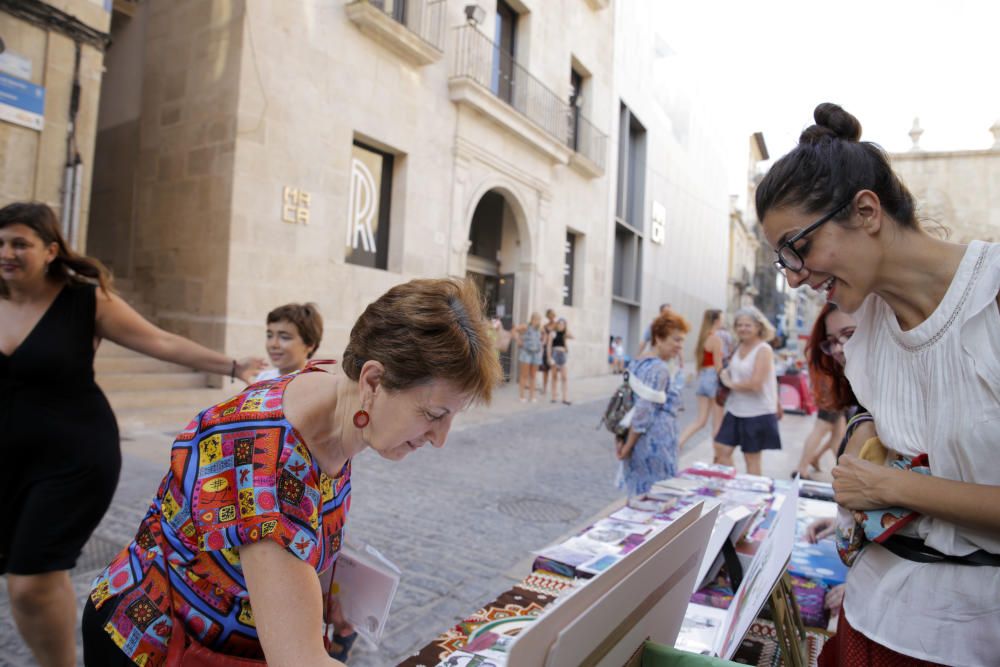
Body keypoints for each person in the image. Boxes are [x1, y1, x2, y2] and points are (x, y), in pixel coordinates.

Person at [81, 278, 503, 666]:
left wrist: (315, 587)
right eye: (433, 414)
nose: (440, 438)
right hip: (152, 643)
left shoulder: (335, 383)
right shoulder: (268, 465)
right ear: (373, 381)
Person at [757, 102, 1000, 666]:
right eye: (782, 260)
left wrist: (891, 488)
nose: (795, 276)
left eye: (799, 247)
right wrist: (865, 438)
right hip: (872, 620)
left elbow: (890, 479)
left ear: (866, 211)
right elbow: (881, 422)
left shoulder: (989, 301)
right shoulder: (864, 329)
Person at [0, 202, 263, 667]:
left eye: (19, 243)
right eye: (0, 243)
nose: (6, 252)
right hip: (9, 458)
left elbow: (158, 341)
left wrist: (233, 366)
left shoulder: (84, 300)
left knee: (30, 580)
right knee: (37, 575)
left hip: (74, 457)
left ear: (51, 250)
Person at [615, 310, 689, 502]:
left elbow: (625, 404)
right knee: (655, 497)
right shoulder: (659, 368)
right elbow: (643, 411)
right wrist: (628, 446)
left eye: (682, 341)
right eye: (676, 340)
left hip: (643, 441)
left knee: (640, 494)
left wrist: (622, 440)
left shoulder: (637, 362)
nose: (680, 346)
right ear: (658, 338)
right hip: (655, 442)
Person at [714, 306, 782, 475]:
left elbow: (756, 384)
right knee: (721, 449)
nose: (743, 328)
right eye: (739, 325)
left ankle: (755, 498)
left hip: (757, 412)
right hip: (735, 409)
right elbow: (734, 371)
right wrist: (725, 373)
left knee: (751, 458)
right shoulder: (738, 346)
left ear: (758, 327)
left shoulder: (764, 350)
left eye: (747, 325)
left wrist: (730, 384)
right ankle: (733, 486)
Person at [795, 303, 857, 479]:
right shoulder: (834, 374)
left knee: (837, 433)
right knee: (822, 429)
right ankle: (802, 466)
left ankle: (811, 461)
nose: (838, 348)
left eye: (849, 334)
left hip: (833, 393)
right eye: (832, 341)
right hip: (832, 393)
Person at [678, 309, 726, 450]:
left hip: (703, 377)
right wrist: (726, 380)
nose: (722, 321)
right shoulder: (716, 339)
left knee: (700, 420)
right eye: (721, 319)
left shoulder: (702, 338)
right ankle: (717, 456)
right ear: (716, 321)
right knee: (717, 423)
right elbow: (718, 365)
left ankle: (679, 442)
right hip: (713, 378)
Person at [256, 302, 324, 381]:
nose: (273, 344)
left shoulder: (317, 384)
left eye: (284, 337)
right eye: (269, 336)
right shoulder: (263, 379)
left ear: (310, 344)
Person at [514, 311, 544, 402]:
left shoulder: (539, 329)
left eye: (538, 319)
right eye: (535, 319)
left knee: (533, 376)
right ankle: (522, 396)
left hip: (536, 354)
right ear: (532, 319)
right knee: (524, 375)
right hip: (526, 353)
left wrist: (542, 344)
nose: (537, 321)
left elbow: (543, 337)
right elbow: (513, 330)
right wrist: (518, 341)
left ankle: (532, 396)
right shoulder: (525, 326)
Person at [547, 317, 573, 404]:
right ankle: (554, 396)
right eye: (560, 323)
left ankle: (564, 398)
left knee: (564, 377)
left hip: (562, 355)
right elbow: (549, 346)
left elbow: (572, 336)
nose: (561, 325)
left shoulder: (565, 334)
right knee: (554, 377)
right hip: (554, 354)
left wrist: (566, 331)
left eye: (563, 324)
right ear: (557, 324)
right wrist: (549, 357)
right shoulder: (553, 333)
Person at [540, 308, 557, 395]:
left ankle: (554, 390)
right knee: (545, 370)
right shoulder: (545, 326)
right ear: (547, 316)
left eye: (553, 315)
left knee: (554, 370)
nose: (551, 317)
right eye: (550, 315)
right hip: (546, 349)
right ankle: (544, 388)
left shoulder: (557, 325)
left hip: (555, 349)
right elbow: (542, 338)